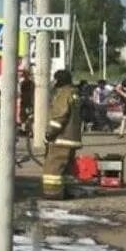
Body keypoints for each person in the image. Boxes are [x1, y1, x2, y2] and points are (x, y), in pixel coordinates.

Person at [43, 69, 82, 198]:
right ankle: (68, 191)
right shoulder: (74, 93)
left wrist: (49, 133)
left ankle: (52, 192)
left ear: (59, 80)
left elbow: (60, 116)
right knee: (67, 167)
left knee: (53, 166)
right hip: (72, 137)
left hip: (62, 137)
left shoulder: (64, 94)